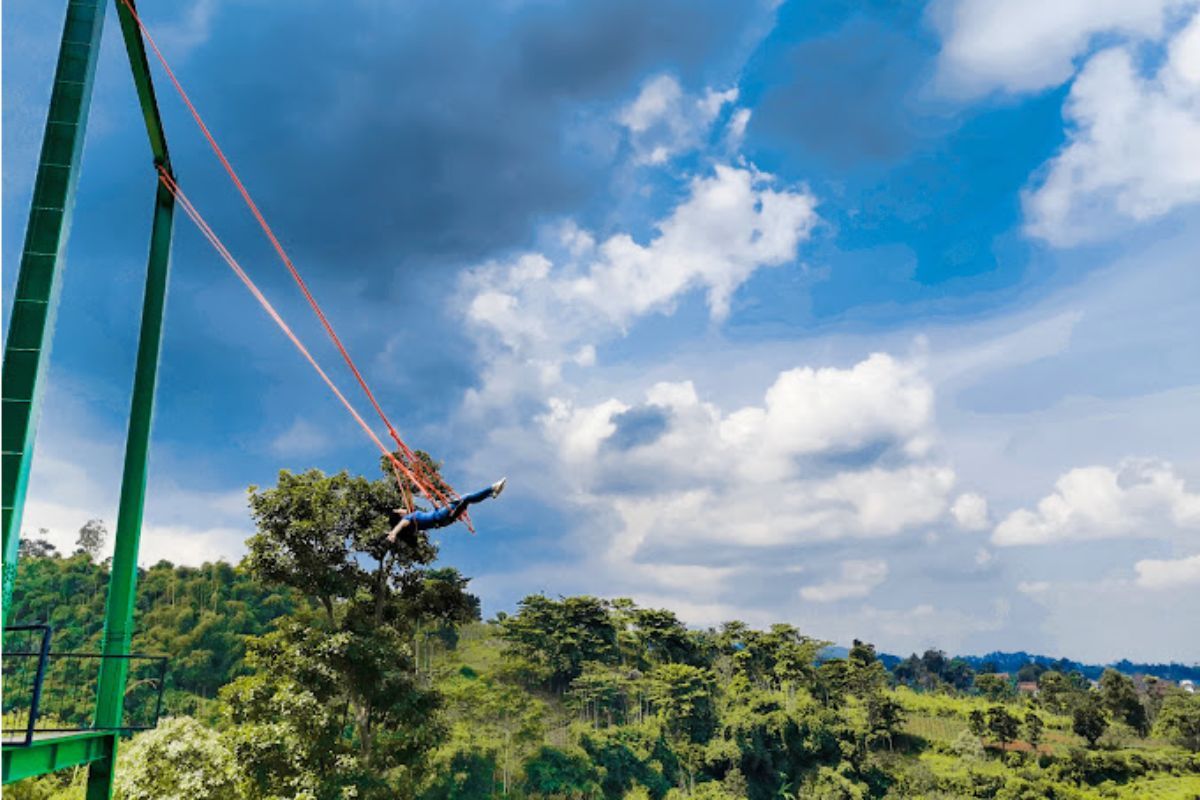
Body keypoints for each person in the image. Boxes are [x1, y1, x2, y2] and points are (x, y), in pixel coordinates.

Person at [386, 477, 506, 546]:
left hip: (444, 520)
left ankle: (491, 493)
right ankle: (492, 488)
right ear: (400, 515)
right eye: (399, 509)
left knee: (467, 500)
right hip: (440, 517)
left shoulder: (414, 523)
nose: (401, 508)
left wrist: (434, 505)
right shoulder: (408, 519)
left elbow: (425, 515)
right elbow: (401, 524)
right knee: (466, 497)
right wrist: (393, 533)